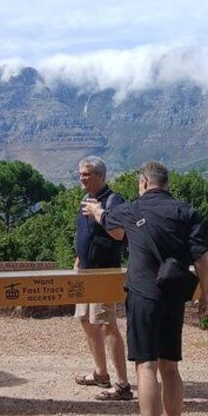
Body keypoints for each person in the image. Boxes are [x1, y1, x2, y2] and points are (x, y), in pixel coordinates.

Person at [81, 160, 208, 416]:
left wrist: (96, 211)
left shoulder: (132, 208)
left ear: (143, 182)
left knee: (146, 367)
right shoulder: (186, 211)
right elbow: (202, 258)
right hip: (173, 296)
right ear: (166, 183)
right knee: (171, 368)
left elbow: (108, 222)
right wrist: (206, 294)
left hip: (142, 296)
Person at [72, 157, 132, 401]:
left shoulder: (113, 201)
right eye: (80, 174)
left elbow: (119, 234)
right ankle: (100, 373)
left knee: (107, 325)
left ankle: (123, 385)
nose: (81, 178)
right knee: (86, 321)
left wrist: (99, 214)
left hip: (104, 273)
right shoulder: (86, 199)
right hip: (85, 272)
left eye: (86, 174)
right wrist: (78, 258)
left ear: (100, 175)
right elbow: (84, 234)